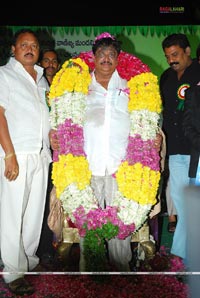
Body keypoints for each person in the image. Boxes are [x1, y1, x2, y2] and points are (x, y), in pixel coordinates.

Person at [0, 29, 52, 295]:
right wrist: (9, 155)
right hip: (16, 155)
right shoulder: (4, 75)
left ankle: (28, 261)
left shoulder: (42, 80)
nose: (30, 48)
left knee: (33, 214)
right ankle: (12, 272)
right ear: (13, 49)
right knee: (12, 214)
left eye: (34, 45)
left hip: (41, 155)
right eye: (24, 45)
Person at [159, 33, 200, 262]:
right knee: (181, 203)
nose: (171, 60)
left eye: (175, 55)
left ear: (187, 51)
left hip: (197, 151)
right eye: (167, 57)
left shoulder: (199, 73)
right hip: (175, 150)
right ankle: (183, 255)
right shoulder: (165, 77)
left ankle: (180, 254)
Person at [36, 48, 60, 267]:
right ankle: (43, 249)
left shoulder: (65, 87)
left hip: (64, 155)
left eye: (54, 61)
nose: (50, 64)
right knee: (41, 203)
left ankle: (59, 245)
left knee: (58, 201)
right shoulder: (35, 86)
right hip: (40, 152)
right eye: (46, 61)